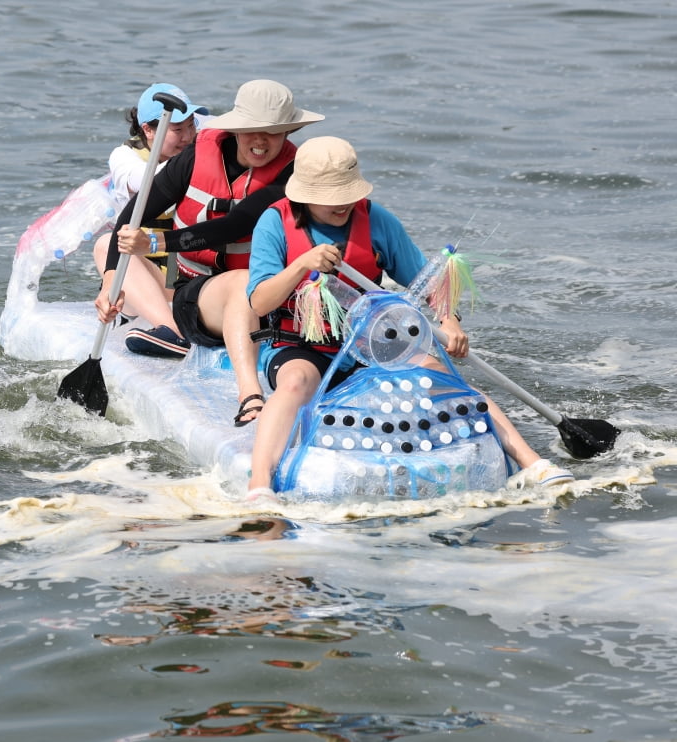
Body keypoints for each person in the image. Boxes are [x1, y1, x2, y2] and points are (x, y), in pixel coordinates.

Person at [245, 136, 575, 493]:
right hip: (304, 347)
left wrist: (449, 320)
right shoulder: (274, 223)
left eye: (347, 194)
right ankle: (260, 483)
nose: (342, 204)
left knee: (448, 381)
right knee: (294, 382)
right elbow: (260, 303)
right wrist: (301, 265)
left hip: (370, 344)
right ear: (305, 195)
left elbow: (428, 285)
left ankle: (533, 464)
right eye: (330, 198)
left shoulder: (375, 220)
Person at [98, 80, 323, 426]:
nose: (261, 141)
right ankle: (171, 329)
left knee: (242, 282)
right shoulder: (197, 154)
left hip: (265, 298)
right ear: (235, 128)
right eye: (252, 131)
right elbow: (132, 217)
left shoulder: (292, 173)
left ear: (288, 132)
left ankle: (249, 395)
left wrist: (157, 244)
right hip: (193, 298)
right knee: (107, 247)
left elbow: (234, 226)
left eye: (274, 133)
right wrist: (109, 281)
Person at [92, 83, 206, 357]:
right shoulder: (124, 157)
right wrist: (195, 160)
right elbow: (142, 181)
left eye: (192, 126)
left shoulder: (200, 146)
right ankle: (173, 334)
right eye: (177, 130)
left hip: (186, 277)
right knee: (107, 244)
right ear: (148, 129)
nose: (188, 137)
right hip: (142, 279)